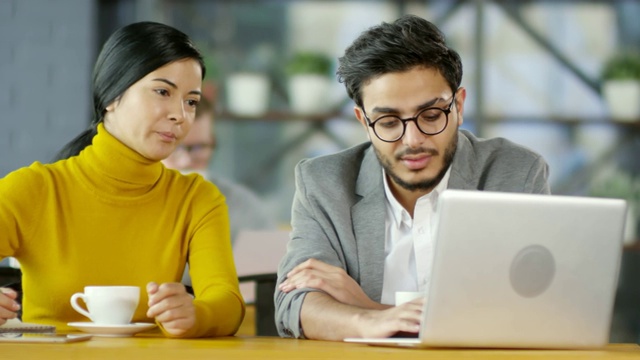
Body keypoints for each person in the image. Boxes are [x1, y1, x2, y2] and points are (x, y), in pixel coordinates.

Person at [274, 14, 550, 341]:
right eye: (389, 122)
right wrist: (372, 322)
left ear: (458, 106)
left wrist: (372, 309)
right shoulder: (324, 183)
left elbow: (528, 311)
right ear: (364, 122)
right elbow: (295, 303)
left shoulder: (515, 173)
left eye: (431, 116)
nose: (412, 140)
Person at [0, 21, 244, 338]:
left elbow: (227, 301)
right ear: (112, 97)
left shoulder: (197, 198)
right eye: (162, 92)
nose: (180, 115)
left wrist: (197, 313)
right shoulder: (33, 190)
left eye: (191, 101)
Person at [162, 96, 277, 245]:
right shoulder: (130, 205)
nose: (186, 161)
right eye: (175, 147)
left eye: (199, 147)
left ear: (213, 143)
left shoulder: (242, 207)